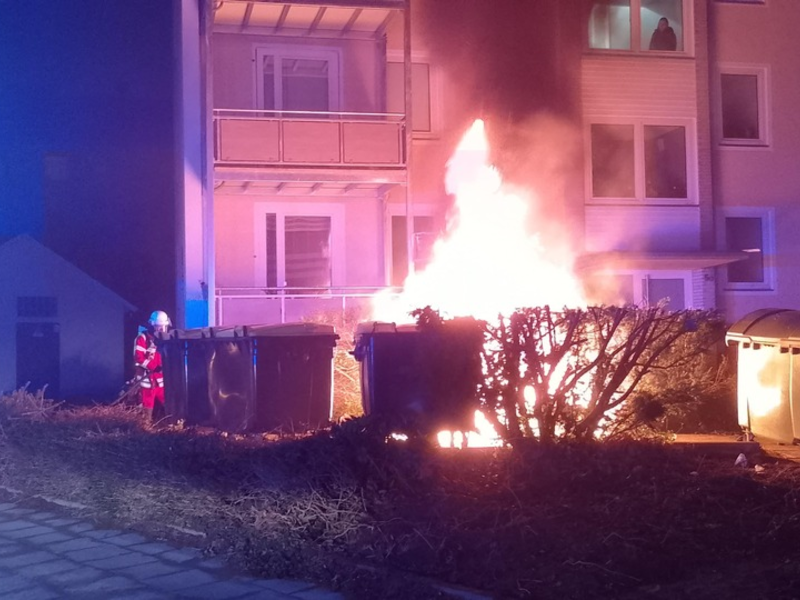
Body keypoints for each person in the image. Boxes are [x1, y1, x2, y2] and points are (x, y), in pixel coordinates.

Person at [133, 310, 171, 423]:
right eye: (158, 326)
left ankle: (173, 423)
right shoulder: (142, 338)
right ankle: (145, 425)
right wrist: (153, 367)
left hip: (160, 379)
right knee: (147, 403)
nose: (161, 329)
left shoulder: (164, 340)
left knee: (168, 401)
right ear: (152, 325)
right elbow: (139, 358)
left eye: (163, 327)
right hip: (147, 379)